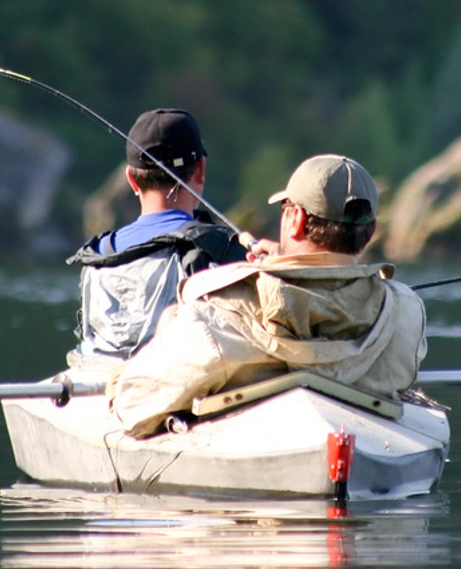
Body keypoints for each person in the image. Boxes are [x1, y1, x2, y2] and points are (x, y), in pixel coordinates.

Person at [108, 154, 428, 437]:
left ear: (296, 220)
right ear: (370, 232)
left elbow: (134, 405)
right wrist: (285, 265)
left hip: (252, 465)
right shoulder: (406, 310)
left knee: (170, 317)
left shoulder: (219, 309)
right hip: (361, 444)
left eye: (286, 208)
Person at [67, 108, 248, 362]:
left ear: (131, 179)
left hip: (102, 384)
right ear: (201, 170)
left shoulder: (98, 254)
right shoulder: (222, 250)